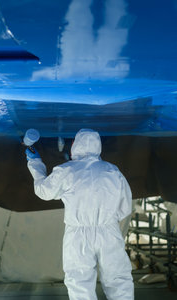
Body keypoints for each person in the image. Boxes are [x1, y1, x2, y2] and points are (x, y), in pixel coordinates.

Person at [25, 128, 134, 300]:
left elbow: (43, 191)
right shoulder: (112, 171)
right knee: (118, 278)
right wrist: (106, 220)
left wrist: (34, 162)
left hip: (78, 234)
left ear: (75, 145)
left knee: (79, 281)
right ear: (98, 146)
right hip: (108, 231)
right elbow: (125, 205)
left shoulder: (66, 170)